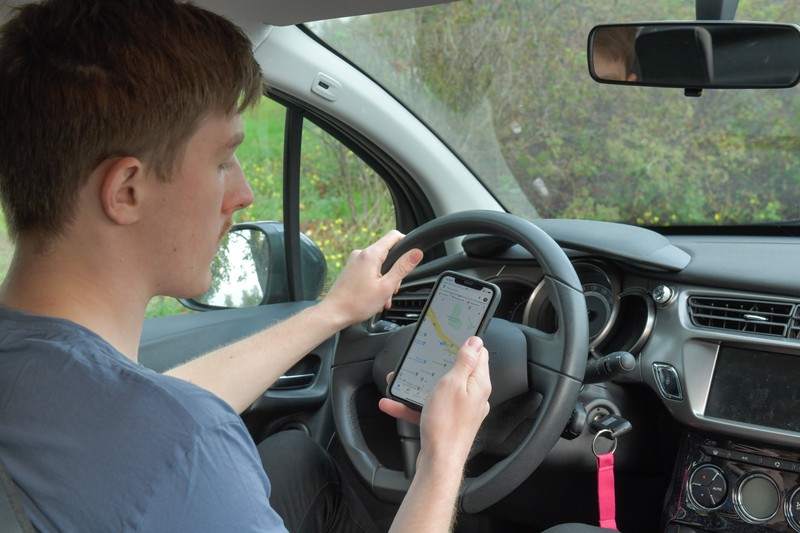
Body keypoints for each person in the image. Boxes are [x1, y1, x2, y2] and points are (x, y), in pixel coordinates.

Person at [0, 0, 491, 532]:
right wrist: (443, 457)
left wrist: (332, 312)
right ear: (127, 190)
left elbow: (146, 408)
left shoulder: (54, 378)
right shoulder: (183, 449)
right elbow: (171, 431)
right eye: (220, 162)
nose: (244, 193)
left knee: (298, 462)